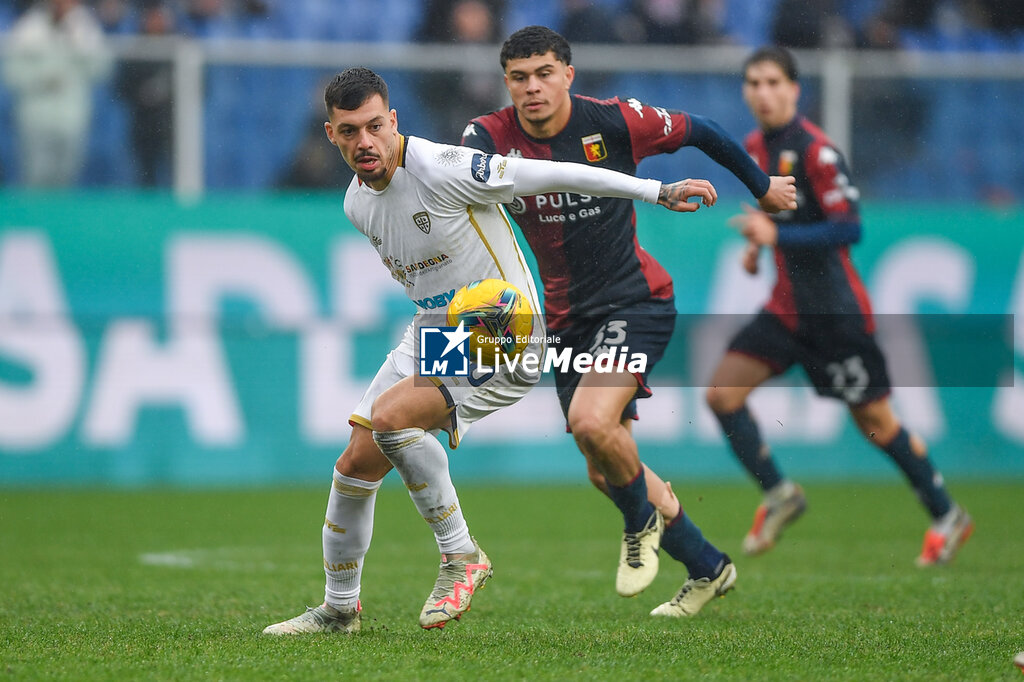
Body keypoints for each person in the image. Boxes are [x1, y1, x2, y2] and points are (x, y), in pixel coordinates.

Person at [263, 66, 719, 635]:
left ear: (393, 120)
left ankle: (462, 557)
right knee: (355, 463)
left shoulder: (442, 167)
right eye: (350, 132)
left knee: (392, 419)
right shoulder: (357, 202)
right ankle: (339, 609)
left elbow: (557, 173)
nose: (365, 143)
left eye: (375, 127)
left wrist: (657, 190)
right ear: (330, 134)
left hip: (506, 326)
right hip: (439, 324)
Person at [462, 26, 797, 617]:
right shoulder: (487, 139)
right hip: (566, 320)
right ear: (506, 82)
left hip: (634, 301)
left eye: (544, 73)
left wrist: (761, 185)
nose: (532, 88)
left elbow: (704, 131)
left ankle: (639, 526)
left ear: (569, 74)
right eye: (519, 77)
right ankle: (708, 567)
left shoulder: (614, 121)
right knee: (606, 466)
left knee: (592, 423)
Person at [705, 45, 973, 566]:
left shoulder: (817, 151)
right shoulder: (756, 148)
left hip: (834, 315)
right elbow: (777, 220)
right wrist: (758, 247)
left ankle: (947, 512)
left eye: (773, 82)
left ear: (794, 89)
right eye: (754, 83)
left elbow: (850, 227)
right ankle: (780, 494)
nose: (763, 92)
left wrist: (774, 238)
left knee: (876, 423)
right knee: (721, 394)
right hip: (785, 310)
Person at [1, 0, 111, 187]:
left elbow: (101, 69)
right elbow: (11, 73)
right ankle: (35, 216)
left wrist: (78, 44)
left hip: (72, 116)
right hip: (36, 116)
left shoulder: (85, 27)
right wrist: (41, 80)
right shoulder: (29, 28)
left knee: (66, 176)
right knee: (36, 175)